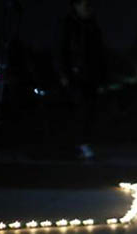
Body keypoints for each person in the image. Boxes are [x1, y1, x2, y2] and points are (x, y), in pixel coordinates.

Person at [59, 0, 106, 160]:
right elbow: (62, 50)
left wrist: (101, 75)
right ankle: (78, 143)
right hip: (75, 76)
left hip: (90, 76)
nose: (89, 9)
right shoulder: (69, 26)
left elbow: (99, 53)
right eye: (85, 6)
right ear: (76, 6)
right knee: (80, 109)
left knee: (90, 110)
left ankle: (84, 143)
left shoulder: (93, 26)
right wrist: (64, 74)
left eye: (90, 6)